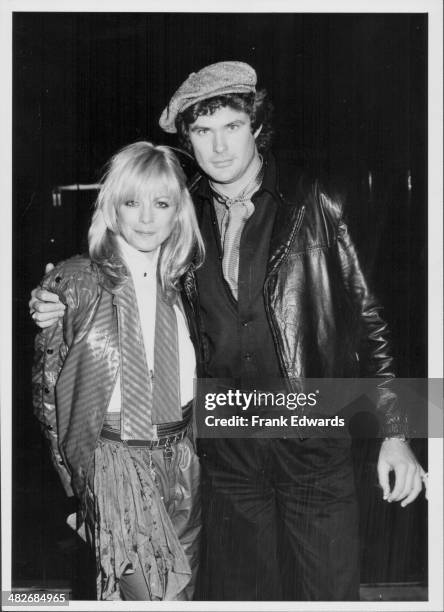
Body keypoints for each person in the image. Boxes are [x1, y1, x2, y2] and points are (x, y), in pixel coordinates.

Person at [30, 61, 426, 601]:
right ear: (188, 140)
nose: (218, 147)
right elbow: (120, 262)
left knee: (330, 593)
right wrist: (58, 293)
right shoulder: (182, 214)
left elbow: (373, 321)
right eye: (202, 131)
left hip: (315, 435)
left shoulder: (317, 200)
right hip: (226, 449)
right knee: (243, 595)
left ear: (256, 127)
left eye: (231, 127)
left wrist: (397, 434)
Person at [31, 142, 204, 601]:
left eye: (161, 203)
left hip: (183, 456)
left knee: (179, 596)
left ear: (178, 214)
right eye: (132, 202)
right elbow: (47, 393)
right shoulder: (77, 281)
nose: (146, 217)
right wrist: (78, 482)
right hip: (117, 459)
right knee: (159, 598)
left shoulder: (186, 281)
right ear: (112, 209)